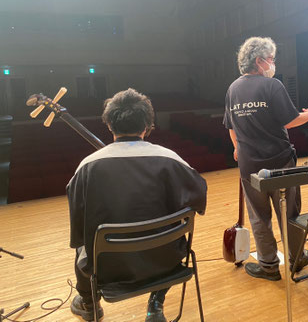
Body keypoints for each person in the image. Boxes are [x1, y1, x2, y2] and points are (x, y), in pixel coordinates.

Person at [67, 89, 207, 322]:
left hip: (108, 268)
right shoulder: (170, 159)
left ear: (109, 125)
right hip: (166, 261)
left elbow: (78, 228)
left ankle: (89, 304)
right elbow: (199, 200)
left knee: (81, 245)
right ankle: (156, 302)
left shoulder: (86, 167)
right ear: (148, 126)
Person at [223, 37, 308, 280]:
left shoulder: (233, 89)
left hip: (249, 165)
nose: (273, 63)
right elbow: (290, 120)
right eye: (271, 59)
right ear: (259, 61)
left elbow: (230, 126)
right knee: (289, 213)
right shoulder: (272, 85)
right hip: (280, 163)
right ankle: (296, 258)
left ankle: (268, 266)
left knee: (259, 217)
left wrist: (237, 148)